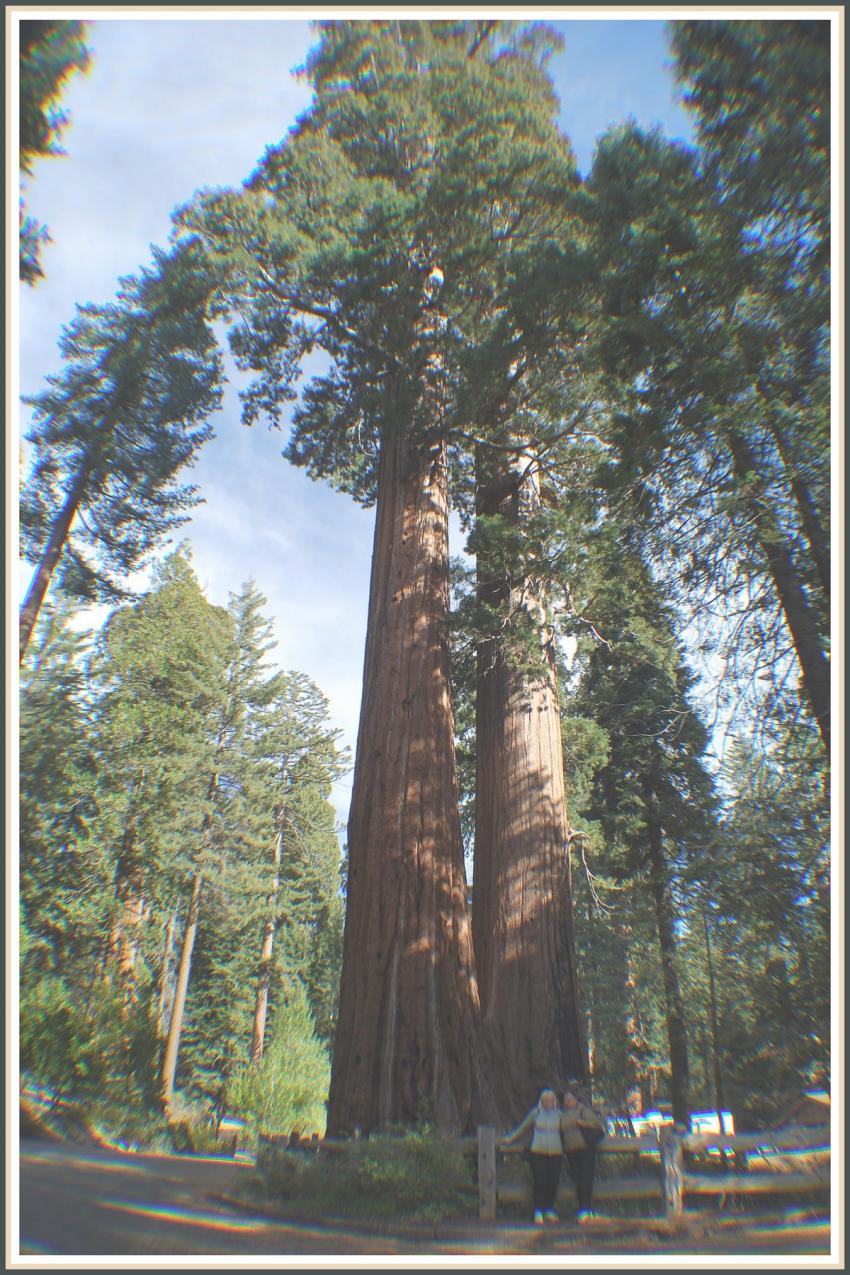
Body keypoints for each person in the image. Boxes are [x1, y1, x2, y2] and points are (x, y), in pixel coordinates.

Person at [501, 1087, 567, 1225]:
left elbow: (568, 1130)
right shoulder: (535, 1113)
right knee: (539, 1180)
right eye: (545, 1100)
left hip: (556, 1152)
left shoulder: (560, 1115)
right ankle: (538, 1210)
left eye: (551, 1099)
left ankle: (549, 1208)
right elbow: (523, 1128)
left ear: (555, 1101)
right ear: (541, 1101)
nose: (548, 1102)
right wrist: (510, 1139)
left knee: (553, 1180)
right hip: (538, 1151)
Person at [559, 1083, 606, 1221]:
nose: (568, 1101)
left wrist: (582, 1123)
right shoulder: (563, 1114)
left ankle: (586, 1208)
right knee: (578, 1179)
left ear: (576, 1099)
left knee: (586, 1179)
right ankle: (582, 1208)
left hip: (585, 1148)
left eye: (570, 1098)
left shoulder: (583, 1111)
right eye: (566, 1099)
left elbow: (598, 1125)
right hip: (571, 1150)